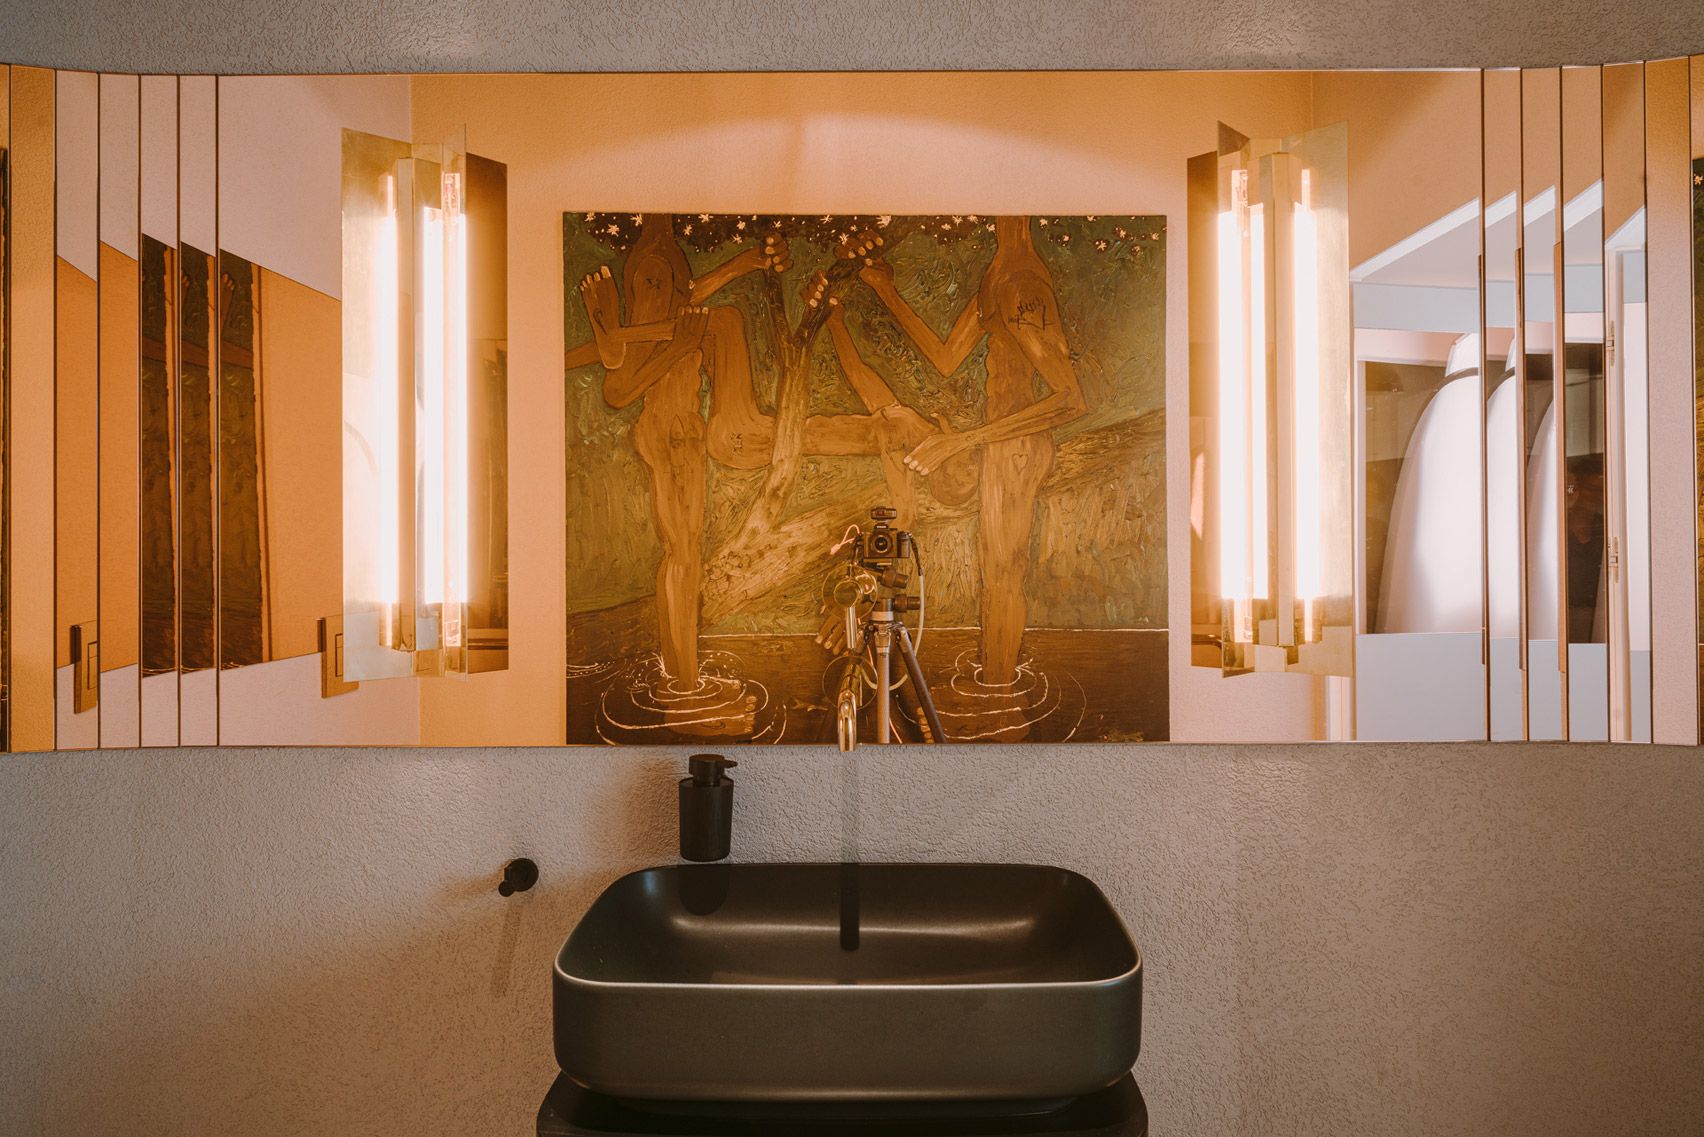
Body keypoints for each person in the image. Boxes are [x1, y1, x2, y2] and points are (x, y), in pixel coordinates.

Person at [858, 217, 1088, 685]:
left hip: (1018, 447)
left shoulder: (1021, 284)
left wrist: (960, 441)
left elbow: (1069, 399)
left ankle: (998, 691)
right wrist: (886, 291)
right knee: (994, 569)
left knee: (1003, 572)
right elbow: (946, 358)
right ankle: (995, 683)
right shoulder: (997, 276)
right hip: (1001, 444)